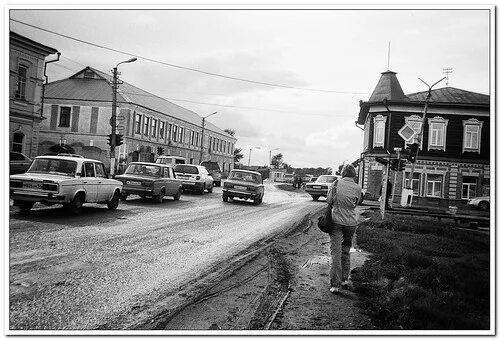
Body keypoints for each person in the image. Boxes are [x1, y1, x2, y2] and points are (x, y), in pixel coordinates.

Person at [326, 163, 362, 294]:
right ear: (354, 174)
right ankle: (344, 280)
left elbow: (329, 200)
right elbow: (357, 202)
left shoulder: (336, 184)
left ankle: (335, 285)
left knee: (336, 253)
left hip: (336, 221)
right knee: (346, 250)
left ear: (342, 173)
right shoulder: (357, 187)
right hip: (351, 223)